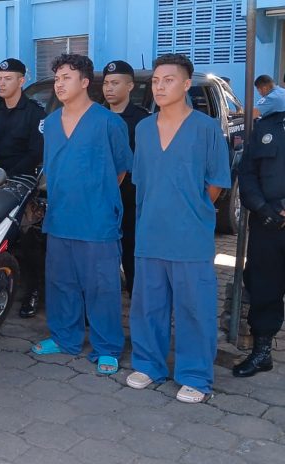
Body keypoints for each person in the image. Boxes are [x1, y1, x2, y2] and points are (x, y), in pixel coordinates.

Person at [126, 54, 230, 403]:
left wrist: (192, 210)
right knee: (148, 305)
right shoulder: (143, 129)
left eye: (168, 80)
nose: (160, 86)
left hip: (190, 235)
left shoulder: (205, 128)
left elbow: (215, 183)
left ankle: (195, 375)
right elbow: (142, 181)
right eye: (156, 80)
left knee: (193, 308)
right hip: (151, 232)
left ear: (186, 84)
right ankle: (148, 364)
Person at [31, 54, 132, 377]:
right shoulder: (51, 124)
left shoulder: (108, 122)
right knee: (61, 284)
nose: (59, 84)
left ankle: (107, 347)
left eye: (67, 77)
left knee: (101, 287)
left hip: (97, 220)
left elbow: (120, 170)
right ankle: (65, 338)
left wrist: (96, 194)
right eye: (57, 78)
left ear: (85, 82)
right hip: (60, 218)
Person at [0, 57, 46, 318]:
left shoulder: (35, 113)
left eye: (8, 78)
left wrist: (6, 176)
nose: (2, 83)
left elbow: (36, 152)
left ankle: (34, 291)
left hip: (22, 180)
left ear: (22, 81)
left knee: (28, 238)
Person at [233, 105, 285, 377]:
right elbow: (247, 173)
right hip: (268, 225)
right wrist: (264, 208)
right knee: (264, 288)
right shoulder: (266, 127)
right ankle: (262, 352)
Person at [102, 60, 150, 296]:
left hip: (130, 199)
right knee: (101, 258)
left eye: (115, 83)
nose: (109, 88)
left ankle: (136, 301)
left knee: (131, 253)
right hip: (100, 200)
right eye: (106, 83)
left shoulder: (143, 120)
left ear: (130, 86)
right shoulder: (95, 116)